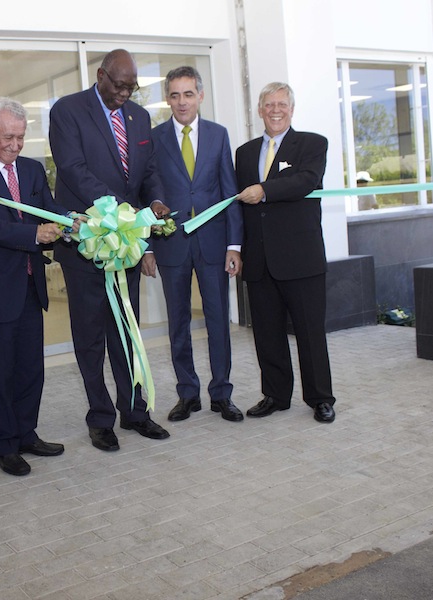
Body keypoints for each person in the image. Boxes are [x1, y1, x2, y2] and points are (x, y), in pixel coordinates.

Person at [49, 48, 171, 451]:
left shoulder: (139, 116)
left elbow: (148, 171)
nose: (124, 93)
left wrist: (153, 203)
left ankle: (135, 411)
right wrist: (118, 213)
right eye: (119, 85)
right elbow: (72, 169)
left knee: (126, 329)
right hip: (89, 241)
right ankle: (100, 418)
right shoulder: (67, 111)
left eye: (131, 87)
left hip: (129, 242)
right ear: (100, 75)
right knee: (90, 334)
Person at [0, 97, 75, 476]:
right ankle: (3, 444)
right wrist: (34, 234)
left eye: (21, 137)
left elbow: (49, 212)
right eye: (8, 137)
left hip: (29, 284)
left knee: (30, 368)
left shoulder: (33, 170)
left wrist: (71, 224)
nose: (15, 145)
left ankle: (26, 433)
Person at [144, 66, 245, 424]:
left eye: (188, 94)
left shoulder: (218, 135)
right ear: (167, 99)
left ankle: (222, 393)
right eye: (174, 95)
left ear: (200, 96)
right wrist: (147, 247)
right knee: (178, 322)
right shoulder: (154, 139)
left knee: (218, 320)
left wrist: (234, 245)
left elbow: (229, 192)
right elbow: (148, 190)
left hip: (213, 244)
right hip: (171, 245)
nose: (182, 101)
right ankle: (187, 394)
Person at [234, 82, 337, 424]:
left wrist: (264, 190)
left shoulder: (312, 144)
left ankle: (320, 398)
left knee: (310, 334)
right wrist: (236, 248)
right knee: (266, 334)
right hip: (259, 260)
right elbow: (239, 208)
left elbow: (306, 180)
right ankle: (276, 395)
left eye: (282, 104)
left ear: (292, 109)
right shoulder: (245, 153)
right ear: (260, 110)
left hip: (300, 258)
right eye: (269, 104)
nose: (275, 110)